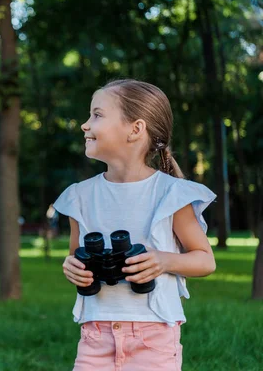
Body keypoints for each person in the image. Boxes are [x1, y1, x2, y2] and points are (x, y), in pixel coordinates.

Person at [54, 79, 216, 370]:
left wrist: (162, 261)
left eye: (97, 115)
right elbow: (76, 256)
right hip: (95, 335)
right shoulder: (79, 196)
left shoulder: (170, 194)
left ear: (135, 129)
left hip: (154, 336)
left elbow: (205, 261)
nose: (85, 125)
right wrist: (72, 268)